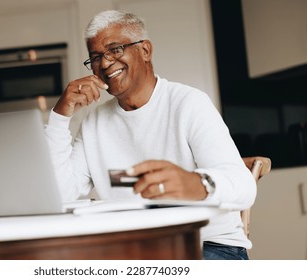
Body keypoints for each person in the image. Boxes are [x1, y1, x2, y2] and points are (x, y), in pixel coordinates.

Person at [45, 10, 256, 260]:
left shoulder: (189, 103)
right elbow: (60, 195)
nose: (104, 63)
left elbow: (244, 187)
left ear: (145, 50)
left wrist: (194, 184)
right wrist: (60, 117)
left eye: (115, 49)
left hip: (207, 245)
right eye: (96, 57)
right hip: (133, 250)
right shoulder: (94, 122)